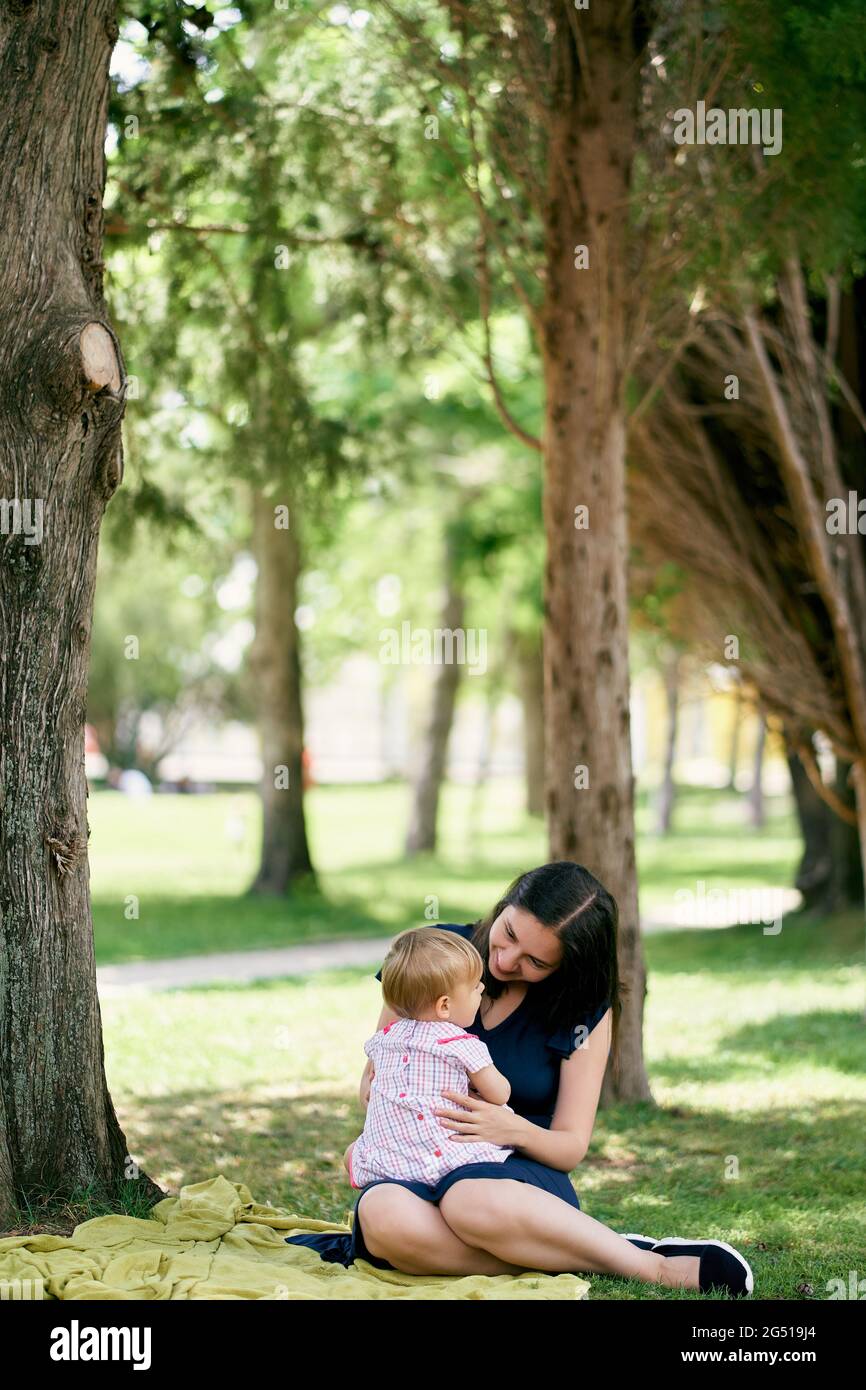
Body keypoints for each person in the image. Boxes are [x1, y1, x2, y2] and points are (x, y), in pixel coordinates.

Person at [287, 862, 754, 1296]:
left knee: (467, 1200)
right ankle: (572, 1251)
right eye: (508, 934)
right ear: (506, 904)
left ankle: (648, 1265)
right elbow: (374, 1083)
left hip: (511, 1174)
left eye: (535, 961)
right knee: (380, 1214)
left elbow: (570, 1145)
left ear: (565, 967)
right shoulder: (432, 957)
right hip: (416, 1161)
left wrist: (511, 1128)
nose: (506, 962)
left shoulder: (581, 1009)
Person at [343, 928, 517, 1189]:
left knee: (353, 1152)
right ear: (444, 1005)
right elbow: (500, 1094)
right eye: (474, 987)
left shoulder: (384, 1040)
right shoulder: (460, 1044)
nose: (482, 988)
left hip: (392, 1158)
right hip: (442, 1157)